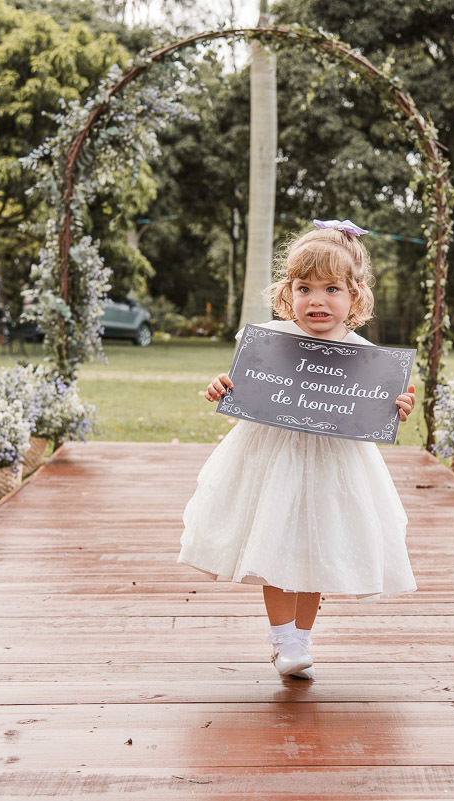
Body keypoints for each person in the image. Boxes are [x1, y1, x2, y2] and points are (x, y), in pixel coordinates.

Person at [178, 222, 418, 681]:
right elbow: (248, 389)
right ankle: (283, 638)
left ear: (356, 296)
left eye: (332, 289)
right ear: (289, 292)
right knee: (276, 539)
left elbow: (377, 407)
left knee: (317, 546)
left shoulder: (365, 357)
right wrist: (220, 387)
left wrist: (396, 405)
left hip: (335, 465)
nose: (317, 301)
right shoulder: (270, 341)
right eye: (304, 288)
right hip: (275, 459)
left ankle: (301, 640)